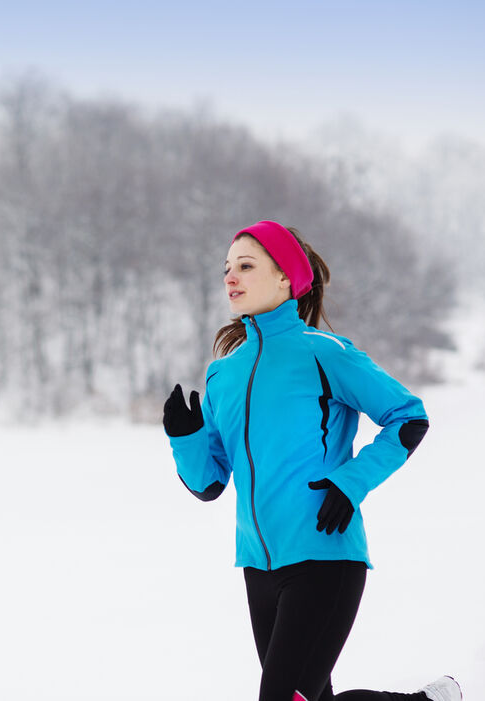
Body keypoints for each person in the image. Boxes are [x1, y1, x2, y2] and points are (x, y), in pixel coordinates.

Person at [162, 221, 461, 701]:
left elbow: (408, 418)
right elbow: (210, 484)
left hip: (324, 555)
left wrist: (351, 482)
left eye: (245, 265)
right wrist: (185, 438)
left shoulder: (326, 354)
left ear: (285, 279)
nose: (230, 277)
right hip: (258, 567)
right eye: (226, 268)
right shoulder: (223, 374)